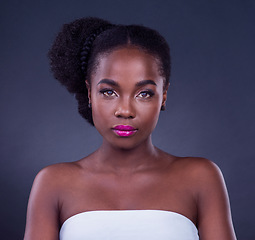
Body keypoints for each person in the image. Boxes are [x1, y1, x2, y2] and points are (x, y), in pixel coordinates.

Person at [24, 17, 237, 240]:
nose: (125, 110)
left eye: (144, 93)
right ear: (89, 93)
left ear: (163, 96)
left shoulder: (200, 177)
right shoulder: (54, 183)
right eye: (109, 92)